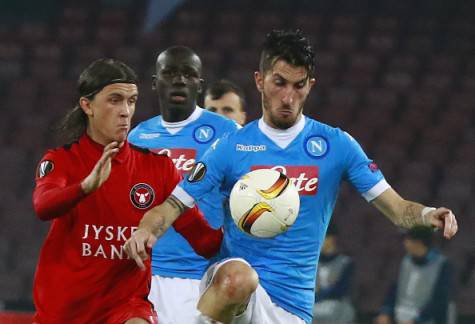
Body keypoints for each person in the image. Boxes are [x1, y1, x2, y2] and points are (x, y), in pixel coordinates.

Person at [125, 29, 458, 324]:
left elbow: (399, 210)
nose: (288, 97)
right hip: (234, 292)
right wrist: (145, 230)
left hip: (292, 303)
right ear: (260, 80)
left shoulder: (335, 146)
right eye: (279, 83)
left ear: (310, 85)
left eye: (298, 86)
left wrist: (430, 214)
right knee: (236, 277)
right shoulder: (231, 146)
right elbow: (173, 204)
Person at [32, 58, 222, 324]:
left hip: (125, 307)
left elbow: (204, 241)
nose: (125, 111)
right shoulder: (61, 161)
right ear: (87, 106)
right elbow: (43, 206)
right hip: (64, 310)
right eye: (115, 100)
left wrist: (241, 213)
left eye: (131, 101)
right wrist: (85, 187)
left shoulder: (158, 168)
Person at [128, 46, 239, 324]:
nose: (179, 80)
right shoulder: (138, 137)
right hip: (145, 277)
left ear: (199, 85)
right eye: (170, 73)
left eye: (188, 74)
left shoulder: (226, 133)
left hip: (201, 277)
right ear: (155, 83)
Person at [374, 226, 454, 324]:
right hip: (401, 316)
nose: (405, 243)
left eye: (408, 239)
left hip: (426, 319)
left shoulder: (442, 265)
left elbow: (439, 301)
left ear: (419, 242)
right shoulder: (405, 261)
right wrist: (385, 312)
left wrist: (416, 321)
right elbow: (394, 290)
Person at [313, 223, 355, 324]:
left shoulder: (345, 262)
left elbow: (340, 290)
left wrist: (320, 295)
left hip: (337, 312)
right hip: (313, 310)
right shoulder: (312, 263)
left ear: (332, 239)